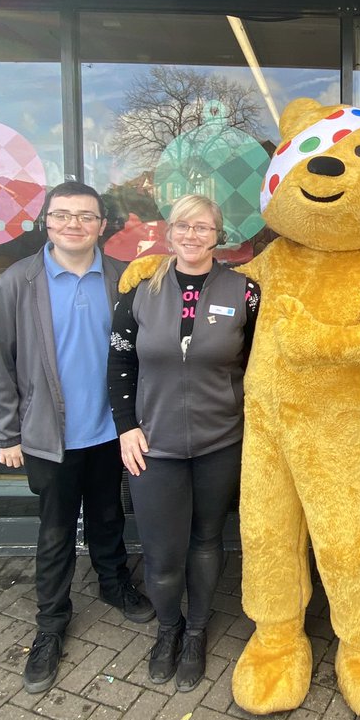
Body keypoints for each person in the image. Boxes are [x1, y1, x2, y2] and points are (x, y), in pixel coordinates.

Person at [0, 181, 155, 696]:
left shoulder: (124, 280)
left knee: (107, 514)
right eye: (63, 216)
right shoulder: (20, 281)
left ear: (103, 225)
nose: (73, 224)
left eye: (86, 216)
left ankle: (112, 584)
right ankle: (51, 624)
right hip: (46, 435)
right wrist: (6, 432)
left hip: (110, 431)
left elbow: (139, 355)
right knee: (56, 530)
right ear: (47, 222)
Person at [108, 194, 259, 691]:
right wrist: (126, 425)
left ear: (219, 235)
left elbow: (260, 365)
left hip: (221, 442)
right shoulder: (138, 290)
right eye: (183, 227)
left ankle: (196, 631)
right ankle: (168, 628)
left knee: (207, 540)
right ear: (168, 233)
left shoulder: (246, 292)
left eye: (204, 227)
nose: (192, 235)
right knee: (161, 550)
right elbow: (120, 362)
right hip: (154, 445)